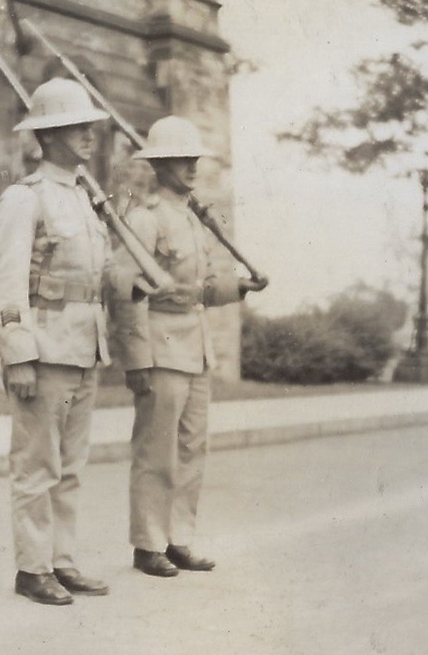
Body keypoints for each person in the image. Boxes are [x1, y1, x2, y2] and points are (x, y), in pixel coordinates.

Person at [0, 78, 143, 606]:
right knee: (36, 465)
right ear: (49, 135)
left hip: (83, 349)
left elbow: (96, 277)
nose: (91, 135)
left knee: (71, 467)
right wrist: (18, 351)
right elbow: (5, 282)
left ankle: (62, 561)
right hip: (45, 351)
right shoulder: (25, 199)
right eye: (79, 126)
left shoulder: (84, 199)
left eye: (90, 126)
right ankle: (32, 569)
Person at [108, 116, 268, 578]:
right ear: (160, 164)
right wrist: (136, 358)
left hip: (195, 349)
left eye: (194, 158)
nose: (192, 167)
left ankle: (178, 538)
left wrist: (241, 287)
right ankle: (148, 543)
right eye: (182, 159)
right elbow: (127, 290)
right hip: (160, 345)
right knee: (157, 450)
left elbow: (198, 290)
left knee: (192, 449)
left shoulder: (195, 218)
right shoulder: (145, 217)